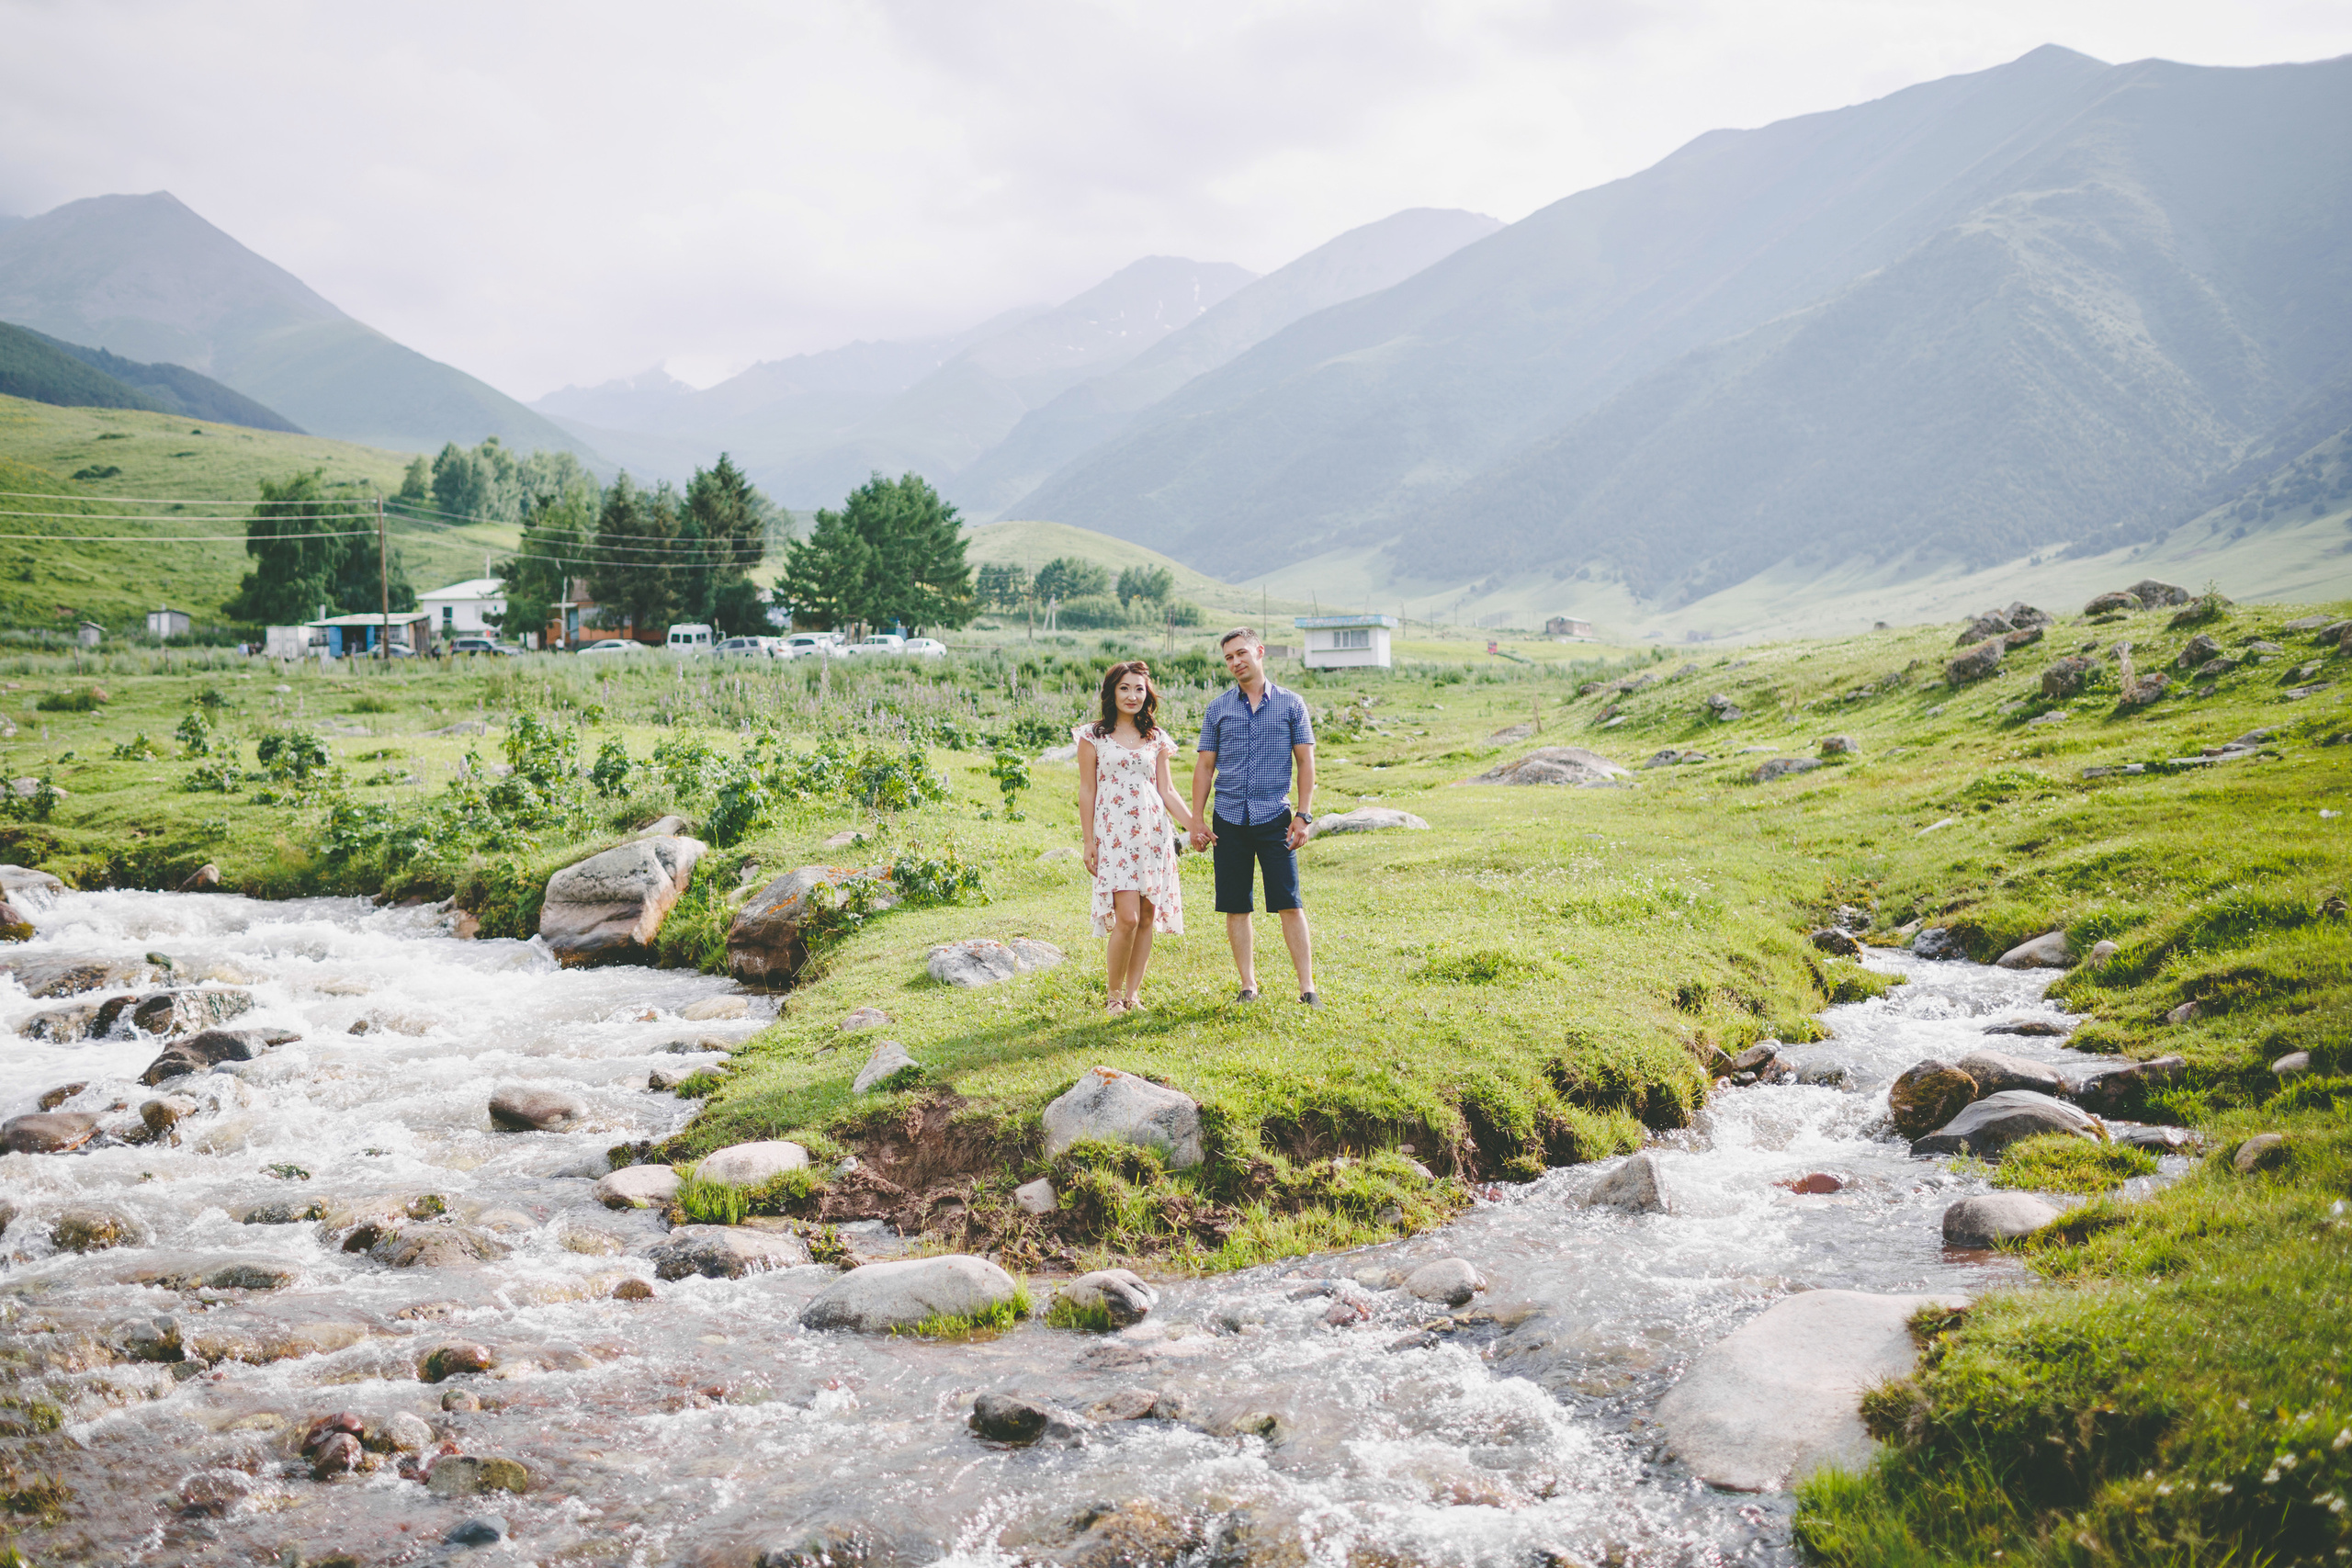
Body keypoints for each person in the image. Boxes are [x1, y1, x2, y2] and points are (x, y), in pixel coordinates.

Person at [1189, 626, 1318, 1005]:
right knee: (1236, 904)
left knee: (1289, 902)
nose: (1235, 662)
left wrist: (1304, 815)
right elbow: (1204, 767)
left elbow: (1306, 762)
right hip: (1228, 820)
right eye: (1228, 657)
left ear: (1259, 651)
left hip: (1276, 818)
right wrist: (1197, 819)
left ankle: (1307, 988)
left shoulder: (1292, 704)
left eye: (1241, 653)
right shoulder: (1218, 708)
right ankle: (1248, 985)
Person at [1077, 660, 1200, 1014]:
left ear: (1148, 695)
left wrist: (1195, 826)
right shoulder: (1093, 736)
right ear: (1112, 692)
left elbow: (1168, 790)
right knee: (1126, 917)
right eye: (1125, 688)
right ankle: (1113, 996)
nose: (1132, 696)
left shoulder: (1155, 737)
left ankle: (1133, 995)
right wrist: (1089, 841)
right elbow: (1087, 790)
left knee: (1147, 916)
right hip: (1114, 835)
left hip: (1153, 834)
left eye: (1139, 689)